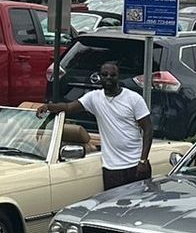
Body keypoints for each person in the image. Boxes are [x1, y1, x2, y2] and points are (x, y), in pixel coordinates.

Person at [38, 60, 154, 189]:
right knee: (113, 207)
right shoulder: (94, 98)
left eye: (112, 75)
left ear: (118, 76)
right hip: (112, 168)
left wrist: (143, 160)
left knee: (139, 207)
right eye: (105, 75)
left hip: (135, 165)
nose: (108, 78)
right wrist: (48, 107)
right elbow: (68, 107)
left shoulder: (133, 98)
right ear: (100, 77)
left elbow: (148, 128)